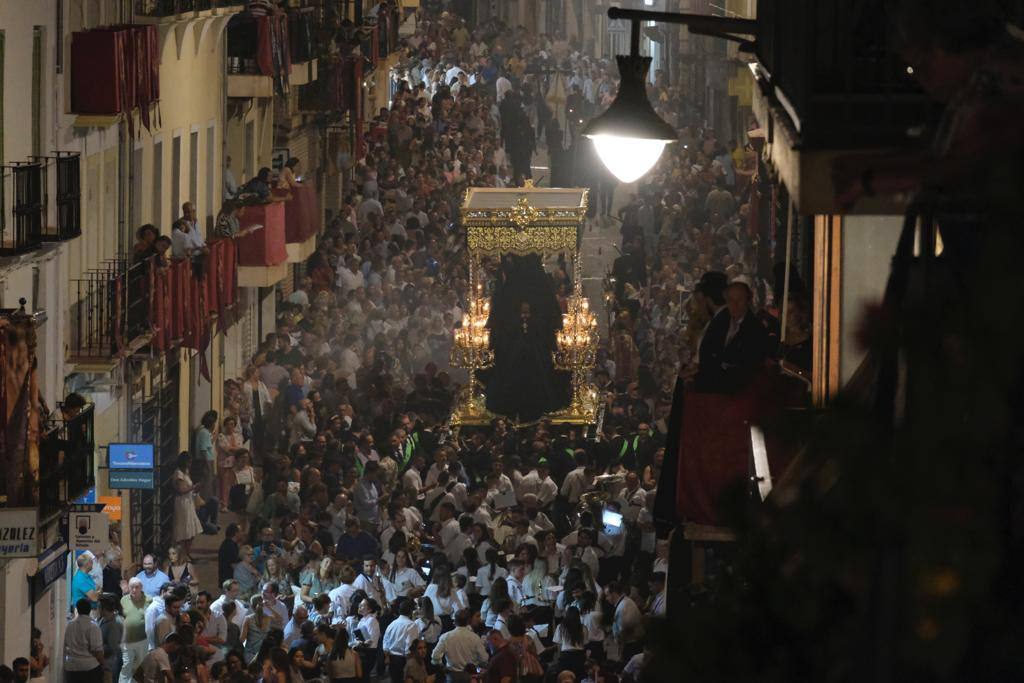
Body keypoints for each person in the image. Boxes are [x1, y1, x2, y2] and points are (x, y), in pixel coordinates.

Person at [691, 279, 770, 394]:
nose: (735, 304)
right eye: (731, 300)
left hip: (738, 391)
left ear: (748, 301)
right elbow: (706, 351)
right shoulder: (719, 322)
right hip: (711, 384)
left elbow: (749, 366)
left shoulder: (756, 329)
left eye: (740, 300)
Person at [430, 609, 488, 682]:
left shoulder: (445, 637)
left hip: (452, 677)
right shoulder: (474, 637)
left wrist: (442, 666)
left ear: (455, 621)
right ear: (467, 621)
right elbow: (484, 659)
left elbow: (435, 656)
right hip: (470, 677)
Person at [172, 452, 204, 558]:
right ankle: (184, 554)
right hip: (182, 503)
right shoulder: (178, 474)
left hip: (189, 501)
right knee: (184, 528)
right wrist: (193, 487)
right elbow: (181, 489)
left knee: (192, 529)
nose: (190, 464)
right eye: (188, 462)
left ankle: (187, 552)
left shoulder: (186, 472)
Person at [64, 598, 105, 682]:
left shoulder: (70, 625)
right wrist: (103, 664)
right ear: (90, 610)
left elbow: (66, 644)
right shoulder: (93, 626)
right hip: (89, 668)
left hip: (72, 667)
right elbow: (96, 650)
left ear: (77, 609)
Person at [381, 598, 420, 683]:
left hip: (391, 658)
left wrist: (387, 657)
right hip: (403, 660)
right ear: (411, 611)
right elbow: (410, 646)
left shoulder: (392, 624)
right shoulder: (411, 625)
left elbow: (385, 642)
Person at [98, 595, 123, 683]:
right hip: (105, 661)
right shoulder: (103, 619)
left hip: (111, 663)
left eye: (99, 607)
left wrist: (96, 649)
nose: (97, 609)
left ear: (104, 608)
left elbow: (113, 647)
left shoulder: (114, 624)